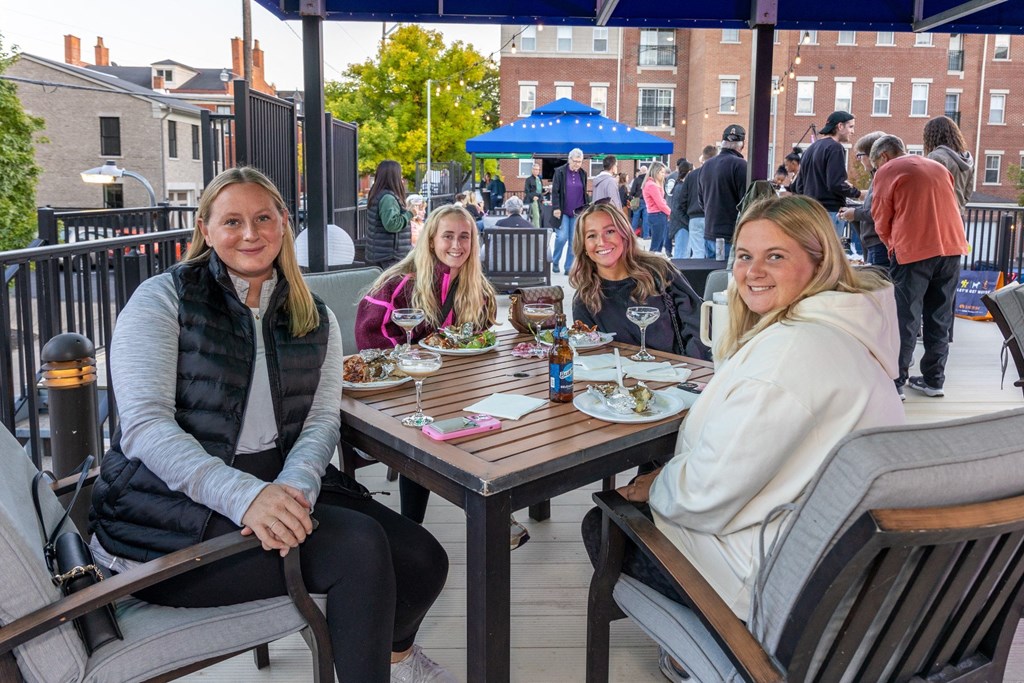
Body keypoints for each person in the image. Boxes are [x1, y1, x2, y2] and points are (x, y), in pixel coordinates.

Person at [88, 167, 455, 683]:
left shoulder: (313, 315)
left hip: (279, 476)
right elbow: (145, 427)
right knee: (357, 547)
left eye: (263, 217)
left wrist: (297, 486)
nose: (250, 233)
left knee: (423, 559)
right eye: (232, 221)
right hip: (166, 511)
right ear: (206, 229)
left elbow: (322, 419)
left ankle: (393, 660)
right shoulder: (163, 299)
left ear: (284, 222)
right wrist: (245, 497)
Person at [580, 194, 903, 681]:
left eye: (776, 256)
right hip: (841, 552)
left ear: (820, 261)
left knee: (602, 524)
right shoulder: (845, 332)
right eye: (744, 257)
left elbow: (708, 493)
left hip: (779, 582)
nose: (753, 272)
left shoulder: (787, 359)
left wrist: (655, 484)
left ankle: (714, 653)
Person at [351, 207, 533, 548]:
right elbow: (370, 337)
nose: (456, 244)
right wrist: (413, 358)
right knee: (427, 428)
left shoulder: (474, 286)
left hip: (455, 385)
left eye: (464, 236)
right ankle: (416, 525)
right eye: (448, 236)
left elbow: (480, 336)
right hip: (404, 389)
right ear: (430, 239)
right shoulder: (400, 283)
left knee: (494, 416)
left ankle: (491, 507)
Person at [870, 134, 969, 400]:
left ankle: (896, 383)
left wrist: (892, 246)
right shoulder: (937, 167)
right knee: (940, 317)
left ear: (883, 156)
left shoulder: (888, 170)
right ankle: (934, 381)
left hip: (913, 251)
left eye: (874, 165)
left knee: (905, 318)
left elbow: (880, 218)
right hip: (951, 247)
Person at [570, 201, 706, 359]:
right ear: (584, 247)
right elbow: (591, 357)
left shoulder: (659, 271)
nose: (602, 242)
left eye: (610, 231)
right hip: (621, 379)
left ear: (624, 234)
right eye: (591, 235)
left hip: (679, 373)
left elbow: (698, 324)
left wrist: (692, 369)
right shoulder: (585, 299)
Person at [792, 111, 864, 251]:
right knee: (829, 256)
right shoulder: (835, 148)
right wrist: (857, 193)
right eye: (851, 127)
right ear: (840, 126)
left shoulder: (811, 149)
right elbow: (835, 183)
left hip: (809, 211)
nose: (853, 131)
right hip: (829, 212)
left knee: (812, 254)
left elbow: (797, 186)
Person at [838, 131, 888, 267]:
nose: (859, 159)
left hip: (879, 244)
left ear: (873, 155)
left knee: (879, 285)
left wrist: (854, 213)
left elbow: (879, 212)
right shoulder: (879, 176)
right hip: (875, 243)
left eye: (860, 155)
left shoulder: (883, 177)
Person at [698, 125, 748, 260]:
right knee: (728, 278)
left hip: (709, 233)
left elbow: (701, 201)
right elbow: (747, 204)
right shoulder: (741, 166)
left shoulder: (706, 166)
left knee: (712, 277)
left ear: (723, 143)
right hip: (730, 236)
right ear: (741, 145)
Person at [923, 115, 975, 216]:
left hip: (939, 216)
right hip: (958, 215)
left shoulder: (936, 157)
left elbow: (928, 190)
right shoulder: (968, 158)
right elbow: (968, 193)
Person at [366, 159, 413, 269]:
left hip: (380, 254)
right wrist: (410, 214)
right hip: (389, 256)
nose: (402, 178)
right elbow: (392, 225)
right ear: (394, 177)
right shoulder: (388, 198)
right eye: (400, 175)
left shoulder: (377, 193)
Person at [551, 148, 588, 274]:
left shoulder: (583, 173)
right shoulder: (560, 172)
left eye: (580, 161)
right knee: (561, 237)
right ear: (569, 159)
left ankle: (568, 267)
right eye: (575, 161)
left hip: (577, 212)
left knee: (573, 240)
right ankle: (555, 261)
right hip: (562, 211)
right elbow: (555, 191)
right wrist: (556, 207)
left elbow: (584, 192)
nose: (577, 164)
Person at [679, 145, 715, 258]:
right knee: (715, 254)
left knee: (697, 253)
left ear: (703, 158)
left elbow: (682, 200)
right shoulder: (719, 173)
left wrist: (687, 217)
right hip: (713, 217)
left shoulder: (692, 175)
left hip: (694, 217)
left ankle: (698, 276)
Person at [643, 161, 673, 256]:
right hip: (657, 215)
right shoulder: (652, 185)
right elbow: (660, 203)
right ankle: (650, 264)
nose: (664, 175)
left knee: (659, 243)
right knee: (656, 245)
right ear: (656, 172)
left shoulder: (651, 183)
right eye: (662, 172)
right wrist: (671, 213)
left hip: (656, 215)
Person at [669, 159, 693, 258]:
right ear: (688, 172)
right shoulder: (680, 187)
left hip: (681, 225)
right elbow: (676, 209)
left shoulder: (679, 186)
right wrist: (688, 222)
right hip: (681, 226)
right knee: (681, 256)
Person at [524, 160, 545, 227]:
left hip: (539, 199)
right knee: (536, 216)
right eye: (535, 169)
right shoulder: (529, 180)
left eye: (538, 170)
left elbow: (541, 190)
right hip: (533, 200)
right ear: (532, 170)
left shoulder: (539, 179)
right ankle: (536, 230)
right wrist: (532, 197)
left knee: (539, 215)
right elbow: (526, 191)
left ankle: (534, 229)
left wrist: (546, 191)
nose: (536, 171)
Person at [629, 165, 649, 236]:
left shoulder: (636, 179)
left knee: (635, 218)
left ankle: (633, 234)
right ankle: (646, 235)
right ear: (646, 171)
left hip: (637, 200)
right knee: (646, 219)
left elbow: (632, 191)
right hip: (646, 201)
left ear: (640, 171)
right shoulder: (648, 180)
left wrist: (632, 196)